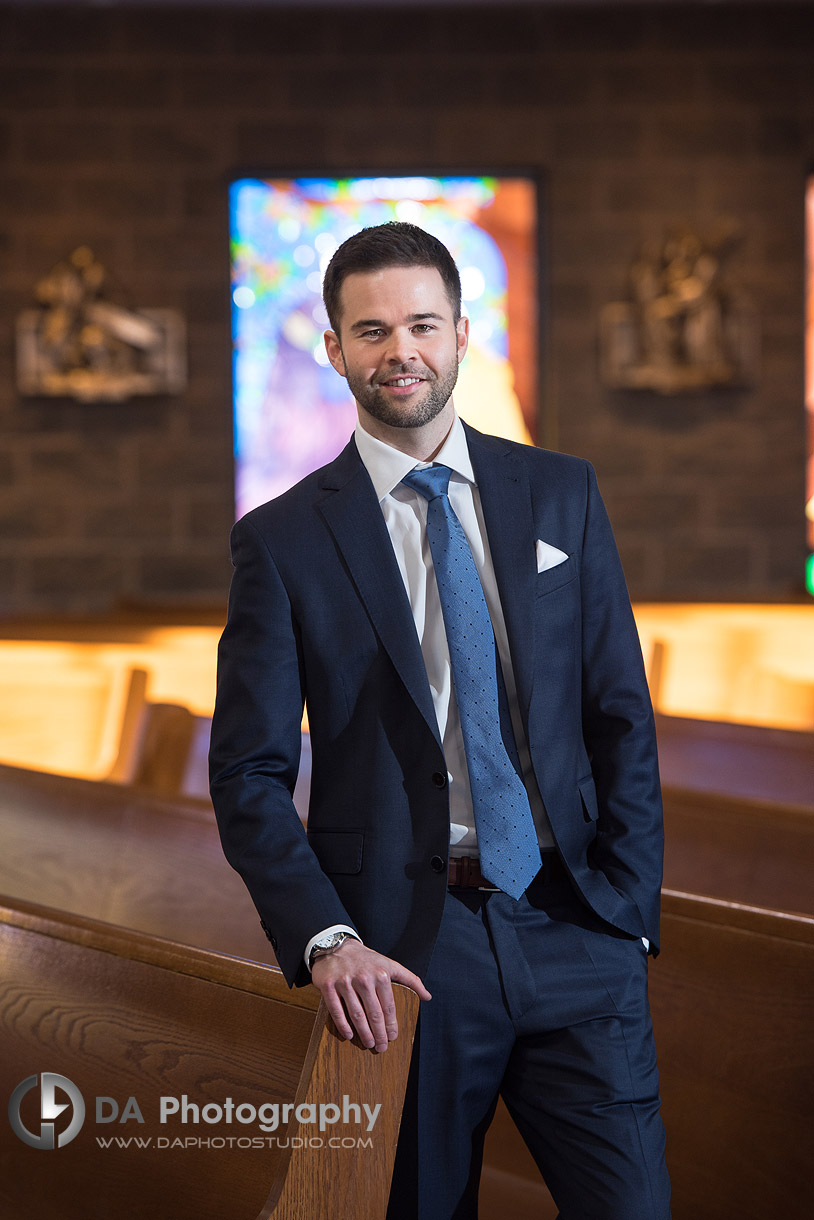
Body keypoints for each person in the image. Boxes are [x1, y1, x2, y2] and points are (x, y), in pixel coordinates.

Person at [209, 221, 671, 1219]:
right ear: (333, 348)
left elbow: (618, 712)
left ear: (462, 331)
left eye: (421, 324)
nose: (399, 351)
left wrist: (627, 906)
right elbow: (245, 771)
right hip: (404, 954)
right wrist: (326, 936)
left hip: (574, 922)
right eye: (370, 330)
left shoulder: (563, 493)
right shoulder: (280, 542)